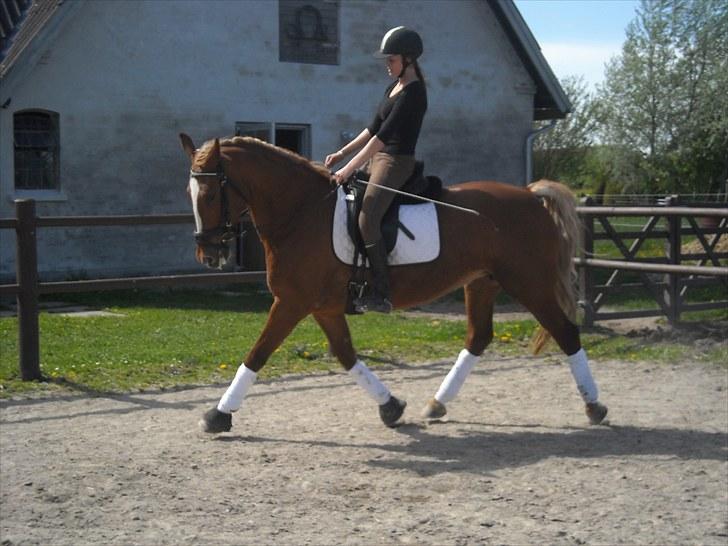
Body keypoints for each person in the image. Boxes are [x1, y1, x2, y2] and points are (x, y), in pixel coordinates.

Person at [325, 26, 428, 313]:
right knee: (347, 207)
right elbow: (373, 129)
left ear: (408, 59)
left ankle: (382, 291)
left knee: (367, 220)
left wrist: (347, 169)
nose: (387, 64)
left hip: (396, 162)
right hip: (378, 156)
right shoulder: (393, 87)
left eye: (391, 59)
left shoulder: (414, 93)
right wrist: (342, 152)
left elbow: (382, 139)